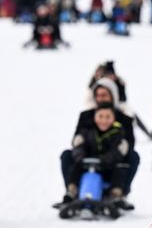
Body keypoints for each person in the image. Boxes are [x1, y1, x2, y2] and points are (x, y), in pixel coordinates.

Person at [59, 77, 138, 207]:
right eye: (98, 95)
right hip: (86, 160)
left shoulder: (124, 118)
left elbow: (129, 144)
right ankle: (72, 191)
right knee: (66, 155)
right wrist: (81, 153)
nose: (101, 98)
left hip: (112, 162)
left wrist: (113, 154)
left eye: (104, 94)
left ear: (113, 95)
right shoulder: (86, 116)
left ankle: (119, 193)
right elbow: (77, 140)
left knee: (133, 156)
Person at [62, 103, 130, 206]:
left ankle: (115, 195)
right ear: (95, 117)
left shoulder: (117, 133)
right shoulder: (87, 131)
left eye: (108, 117)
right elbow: (79, 146)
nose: (104, 120)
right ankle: (72, 191)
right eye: (101, 116)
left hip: (107, 167)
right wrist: (81, 158)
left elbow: (116, 151)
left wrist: (105, 159)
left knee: (119, 169)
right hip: (86, 165)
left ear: (113, 118)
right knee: (75, 168)